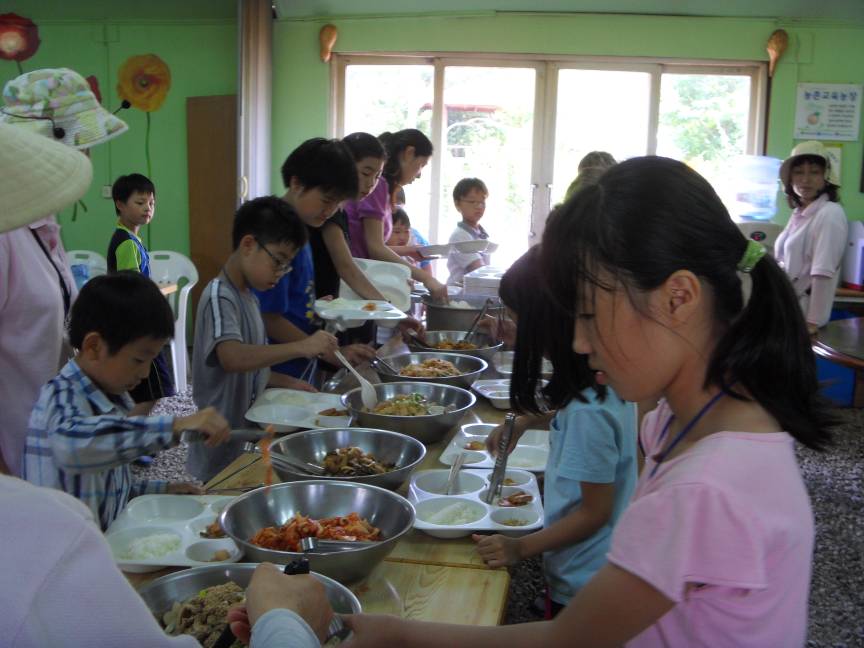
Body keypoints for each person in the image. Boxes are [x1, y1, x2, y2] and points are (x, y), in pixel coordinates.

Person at [343, 156, 832, 647]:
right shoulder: (682, 418)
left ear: (678, 298)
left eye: (590, 315)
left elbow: (569, 640)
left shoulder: (703, 492)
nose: (577, 343)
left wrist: (398, 637)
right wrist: (540, 416)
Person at [473, 247, 637, 616]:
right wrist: (529, 420)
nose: (514, 334)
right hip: (596, 570)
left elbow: (594, 513)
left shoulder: (587, 413)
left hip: (585, 580)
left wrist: (521, 548)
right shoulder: (604, 384)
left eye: (518, 322)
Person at [22, 272, 230, 529]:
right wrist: (175, 425)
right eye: (139, 360)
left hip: (102, 545)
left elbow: (108, 485)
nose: (144, 373)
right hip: (60, 559)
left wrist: (160, 489)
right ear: (94, 346)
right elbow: (73, 447)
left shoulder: (110, 397)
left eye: (152, 360)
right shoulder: (60, 396)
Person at [0, 67, 128, 477]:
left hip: (51, 439)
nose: (87, 158)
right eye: (82, 147)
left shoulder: (44, 226)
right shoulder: (5, 234)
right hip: (14, 449)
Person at [189, 196, 336, 482]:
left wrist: (288, 383)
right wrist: (302, 347)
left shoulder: (250, 297)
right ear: (248, 245)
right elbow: (232, 358)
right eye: (278, 262)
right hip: (219, 442)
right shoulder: (220, 296)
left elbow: (253, 363)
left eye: (286, 267)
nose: (280, 274)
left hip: (247, 438)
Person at [255, 138, 375, 383]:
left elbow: (288, 297)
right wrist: (332, 353)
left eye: (337, 203)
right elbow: (268, 317)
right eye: (327, 200)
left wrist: (314, 305)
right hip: (278, 368)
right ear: (297, 183)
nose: (330, 211)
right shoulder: (278, 234)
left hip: (299, 364)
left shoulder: (302, 228)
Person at [343, 128, 448, 302]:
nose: (419, 174)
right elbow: (374, 248)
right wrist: (426, 277)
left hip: (361, 278)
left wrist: (409, 251)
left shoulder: (383, 187)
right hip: (354, 283)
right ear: (409, 153)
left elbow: (365, 243)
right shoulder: (379, 185)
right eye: (421, 165)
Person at [107, 173, 175, 421]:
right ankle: (133, 437)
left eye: (152, 203)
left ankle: (132, 432)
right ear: (120, 204)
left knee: (143, 388)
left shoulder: (131, 239)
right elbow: (131, 286)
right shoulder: (126, 243)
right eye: (140, 202)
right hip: (137, 326)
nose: (148, 208)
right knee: (154, 386)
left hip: (134, 323)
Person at [774, 141, 847, 333]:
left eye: (814, 172)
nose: (805, 180)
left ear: (826, 177)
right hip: (787, 310)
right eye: (798, 172)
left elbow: (822, 272)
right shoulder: (800, 212)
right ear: (789, 178)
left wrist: (813, 323)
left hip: (804, 317)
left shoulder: (830, 213)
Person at [447, 177, 492, 285]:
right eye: (472, 202)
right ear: (457, 204)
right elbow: (478, 270)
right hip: (458, 295)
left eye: (482, 202)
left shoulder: (481, 233)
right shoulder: (460, 236)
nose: (479, 207)